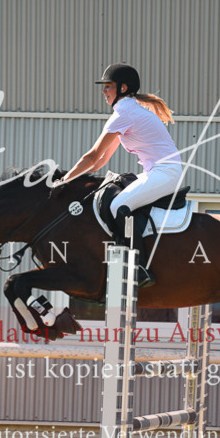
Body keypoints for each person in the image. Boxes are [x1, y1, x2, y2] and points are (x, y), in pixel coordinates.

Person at [58, 63, 182, 287]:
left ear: (123, 88)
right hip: (159, 171)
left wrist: (63, 182)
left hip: (165, 172)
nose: (103, 91)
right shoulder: (128, 111)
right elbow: (102, 160)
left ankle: (139, 267)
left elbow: (93, 156)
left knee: (118, 205)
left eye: (108, 86)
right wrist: (77, 178)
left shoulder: (124, 114)